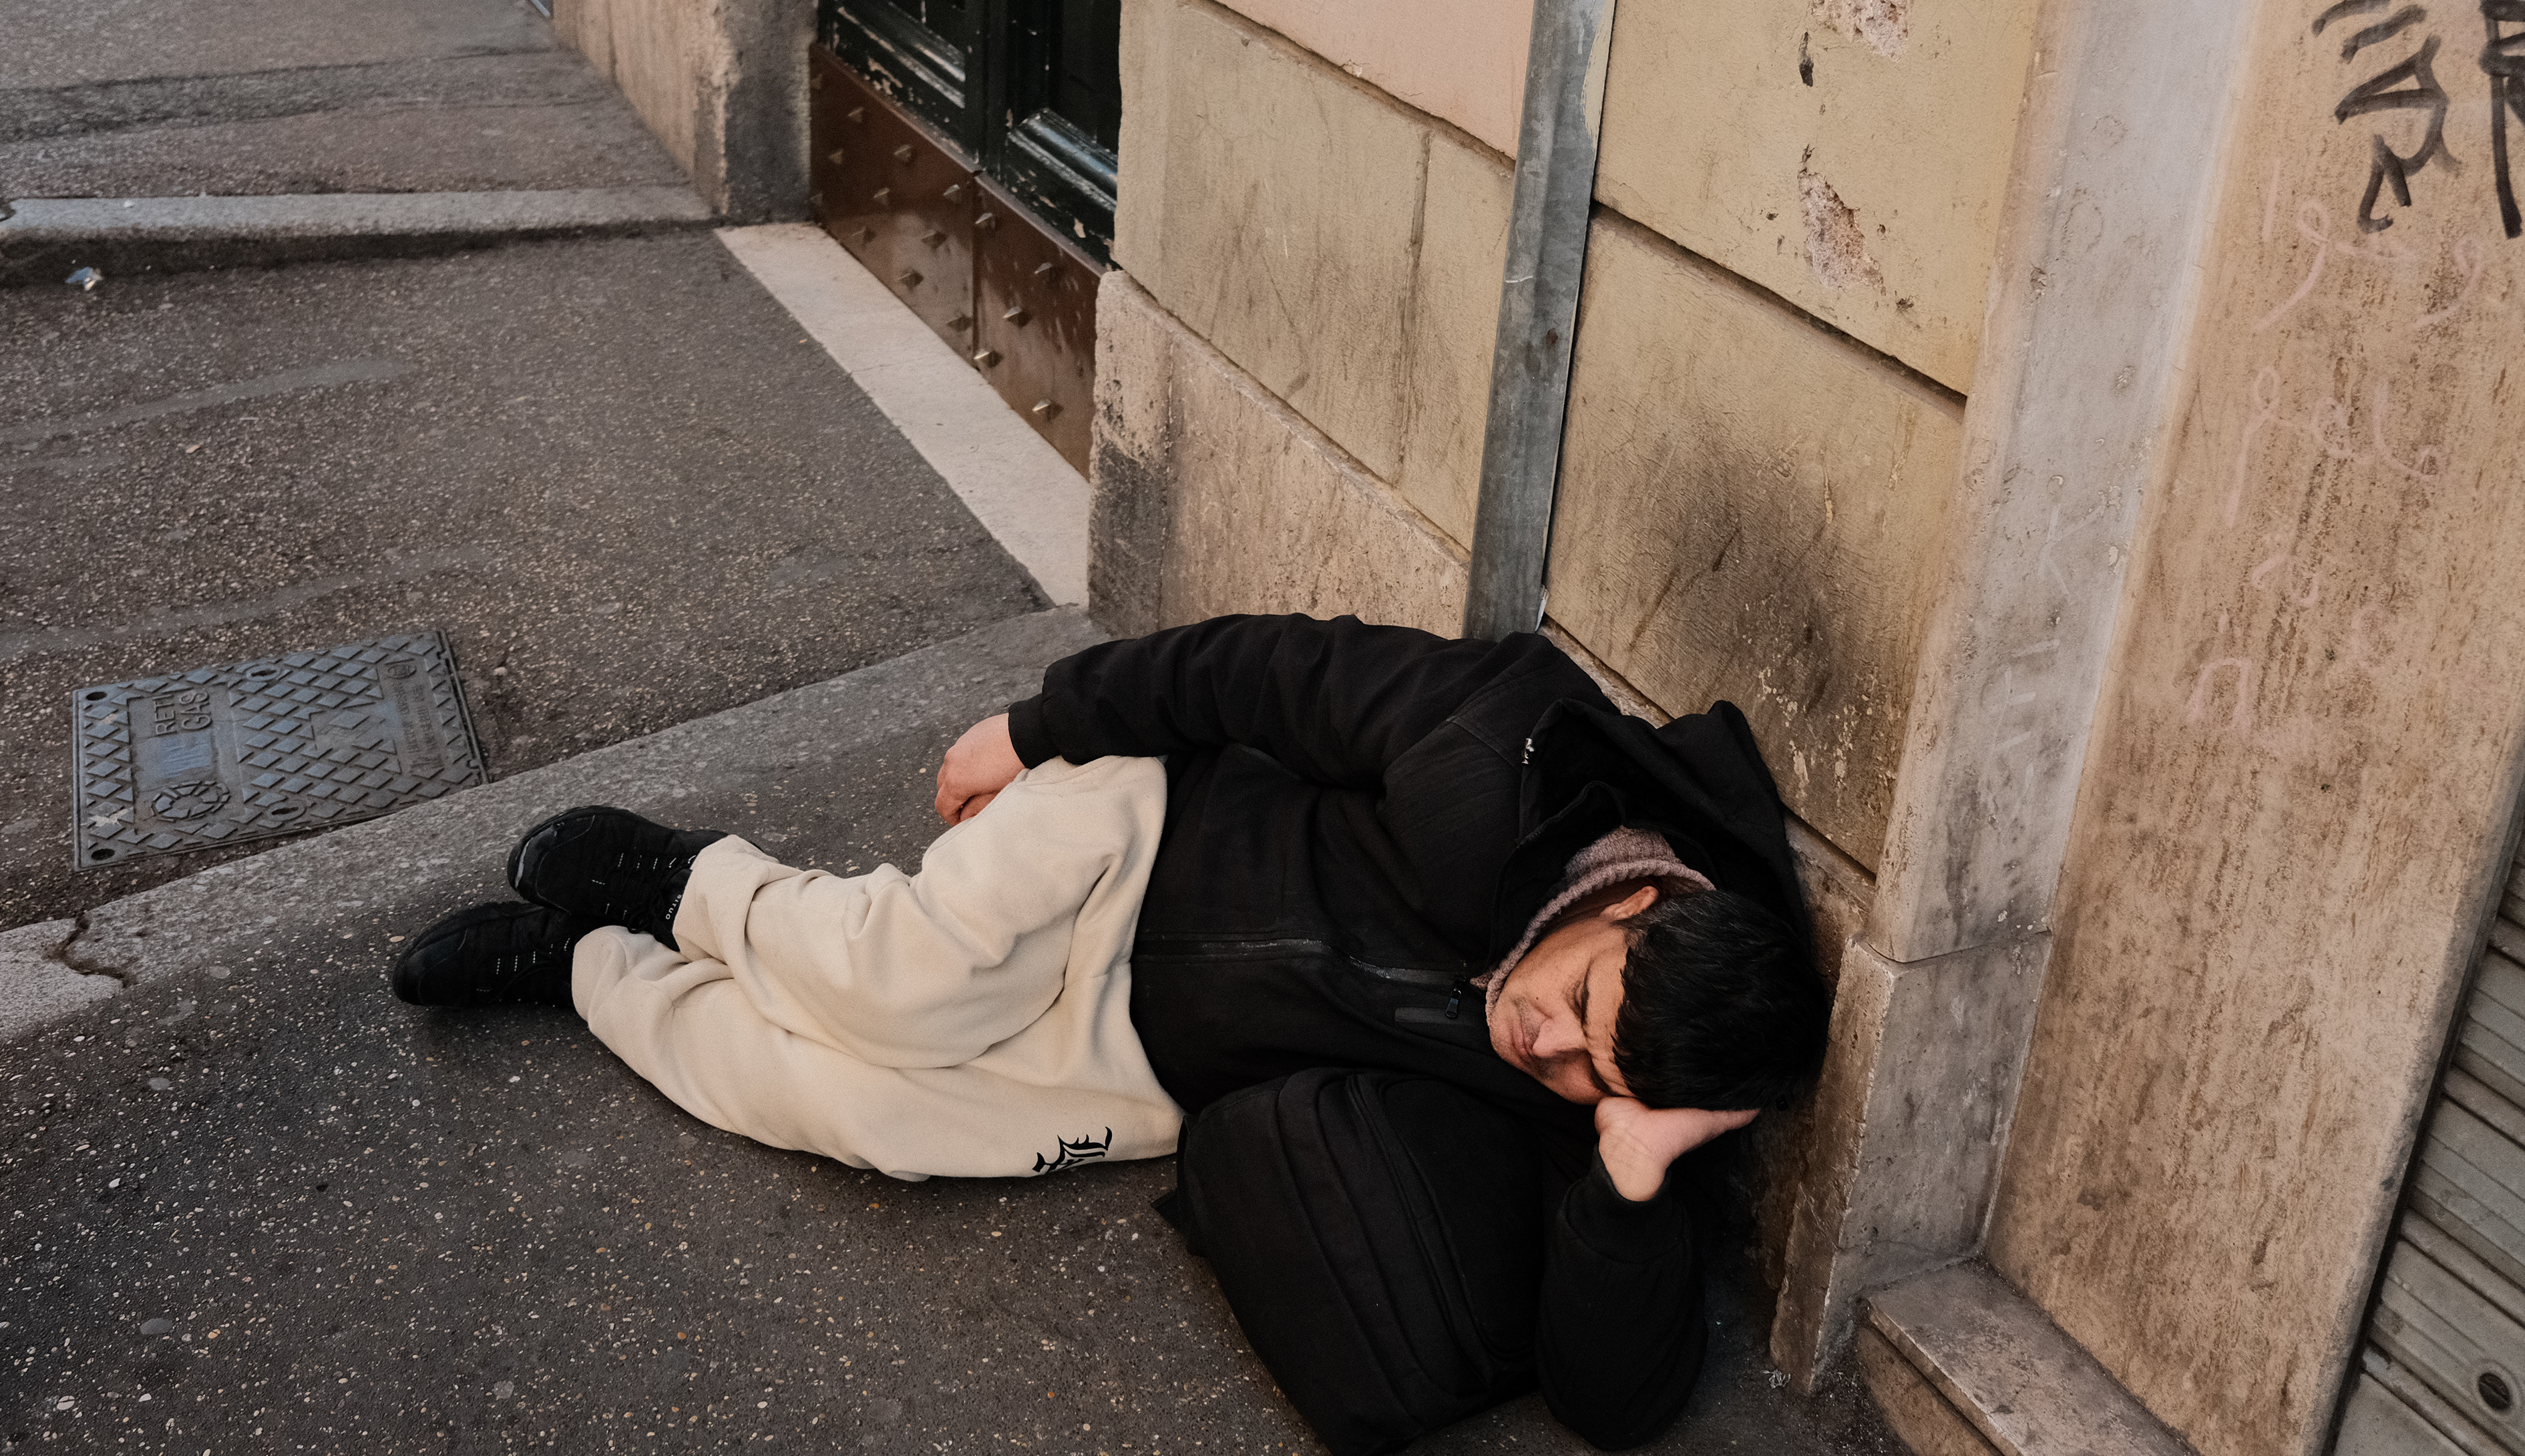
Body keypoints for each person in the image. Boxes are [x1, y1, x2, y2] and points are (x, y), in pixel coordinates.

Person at [389, 614, 1830, 1453]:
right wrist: (1040, 724)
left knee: (869, 1114)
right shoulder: (1518, 744)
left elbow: (1613, 1402)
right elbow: (1263, 670)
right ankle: (686, 878)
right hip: (1142, 831)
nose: (1544, 1050)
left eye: (1592, 1079)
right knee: (896, 981)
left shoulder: (1647, 1087)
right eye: (1578, 1006)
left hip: (1145, 1063)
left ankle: (590, 969)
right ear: (1635, 892)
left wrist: (1631, 1169)